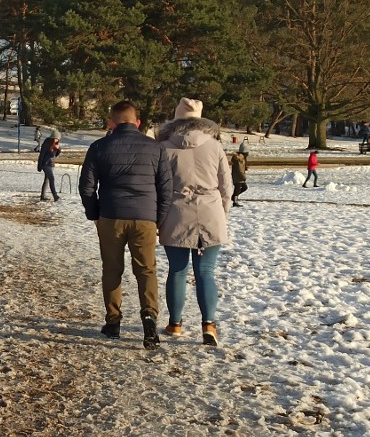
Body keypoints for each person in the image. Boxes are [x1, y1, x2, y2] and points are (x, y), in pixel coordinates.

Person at [79, 100, 173, 349]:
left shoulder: (99, 147)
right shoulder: (156, 148)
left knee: (112, 269)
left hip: (111, 215)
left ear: (111, 122)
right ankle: (149, 316)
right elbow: (166, 189)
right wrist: (158, 219)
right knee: (146, 270)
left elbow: (87, 187)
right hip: (145, 217)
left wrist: (95, 214)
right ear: (138, 122)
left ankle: (113, 321)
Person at [157, 97, 232, 347]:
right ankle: (209, 323)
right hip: (211, 212)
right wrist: (222, 212)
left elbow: (160, 187)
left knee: (177, 272)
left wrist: (159, 218)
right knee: (206, 272)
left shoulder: (165, 147)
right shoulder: (215, 147)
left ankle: (175, 323)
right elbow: (226, 187)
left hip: (176, 213)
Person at [37, 129, 62, 202]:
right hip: (46, 164)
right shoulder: (47, 143)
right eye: (55, 138)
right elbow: (42, 154)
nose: (56, 140)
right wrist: (39, 165)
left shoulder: (57, 144)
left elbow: (56, 155)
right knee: (51, 178)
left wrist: (58, 149)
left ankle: (42, 196)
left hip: (51, 164)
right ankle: (55, 195)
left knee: (47, 179)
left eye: (57, 139)